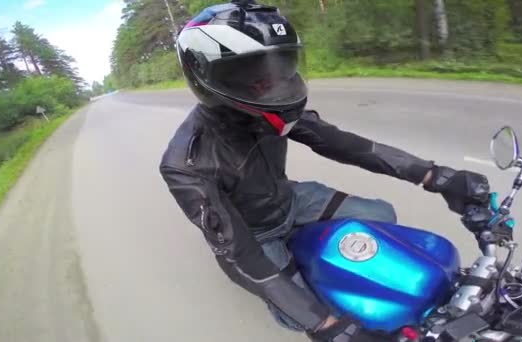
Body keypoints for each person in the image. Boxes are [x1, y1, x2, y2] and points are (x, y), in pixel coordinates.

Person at [159, 1, 490, 341]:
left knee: (383, 215)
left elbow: (346, 144)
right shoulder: (185, 164)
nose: (273, 82)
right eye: (253, 74)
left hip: (289, 199)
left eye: (279, 65)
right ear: (207, 77)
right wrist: (325, 326)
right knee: (297, 316)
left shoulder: (268, 108)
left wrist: (434, 176)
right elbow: (239, 254)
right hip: (253, 232)